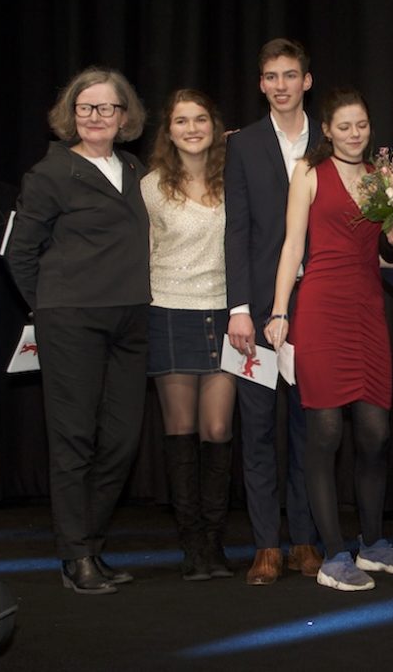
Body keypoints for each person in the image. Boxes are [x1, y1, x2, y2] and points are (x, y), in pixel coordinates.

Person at [265, 87, 393, 592]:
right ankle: (334, 555)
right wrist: (279, 311)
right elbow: (292, 245)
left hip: (368, 310)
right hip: (321, 310)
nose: (355, 135)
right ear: (326, 130)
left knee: (376, 432)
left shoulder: (384, 181)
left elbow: (385, 258)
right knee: (326, 433)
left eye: (362, 126)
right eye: (344, 126)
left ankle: (371, 544)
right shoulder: (308, 173)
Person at [6, 67, 149, 594]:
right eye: (86, 107)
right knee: (74, 441)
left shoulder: (133, 168)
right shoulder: (51, 173)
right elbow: (21, 252)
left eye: (107, 107)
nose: (96, 117)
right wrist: (49, 307)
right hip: (72, 320)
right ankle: (75, 557)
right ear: (71, 114)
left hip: (132, 318)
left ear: (124, 115)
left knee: (121, 440)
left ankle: (91, 544)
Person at [224, 38, 323, 585]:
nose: (281, 85)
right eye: (271, 76)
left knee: (311, 429)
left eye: (291, 74)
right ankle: (266, 544)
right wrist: (239, 307)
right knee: (258, 428)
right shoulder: (243, 146)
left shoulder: (332, 140)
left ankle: (305, 540)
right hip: (256, 310)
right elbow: (236, 230)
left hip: (318, 307)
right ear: (261, 84)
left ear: (307, 80)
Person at [142, 89, 237, 581]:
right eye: (182, 120)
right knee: (180, 432)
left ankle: (216, 543)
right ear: (169, 130)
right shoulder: (151, 187)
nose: (192, 128)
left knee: (217, 430)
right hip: (170, 312)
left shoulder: (232, 181)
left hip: (224, 316)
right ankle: (192, 547)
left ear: (214, 126)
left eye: (201, 118)